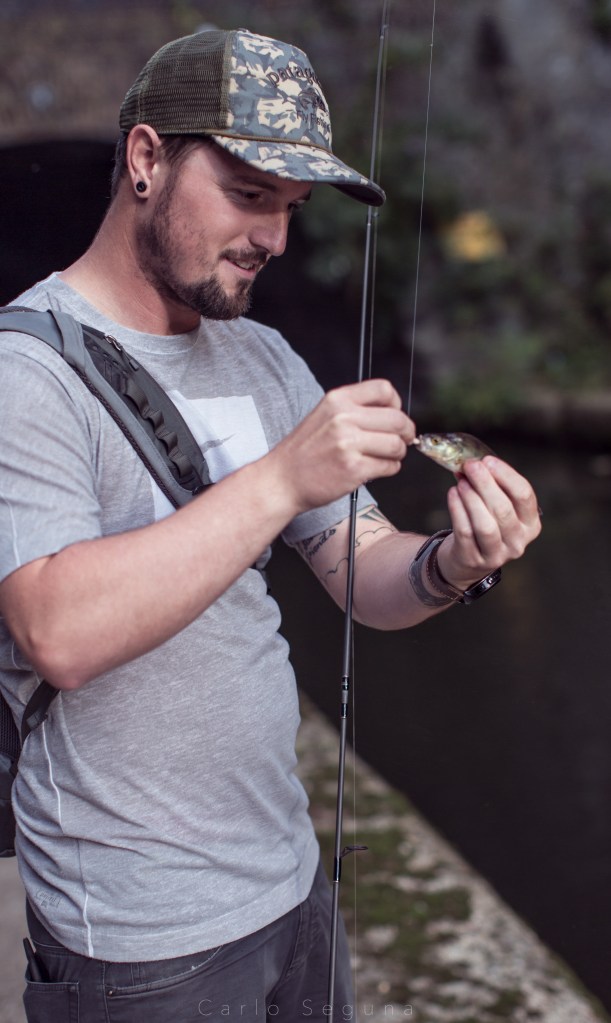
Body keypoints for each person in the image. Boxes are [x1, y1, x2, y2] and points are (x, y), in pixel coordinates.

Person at [0, 27, 541, 1023]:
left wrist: (454, 561)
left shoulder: (264, 360)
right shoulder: (25, 374)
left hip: (291, 887)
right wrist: (282, 478)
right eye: (249, 196)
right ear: (146, 160)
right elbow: (57, 633)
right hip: (136, 943)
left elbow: (364, 571)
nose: (274, 239)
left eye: (290, 210)